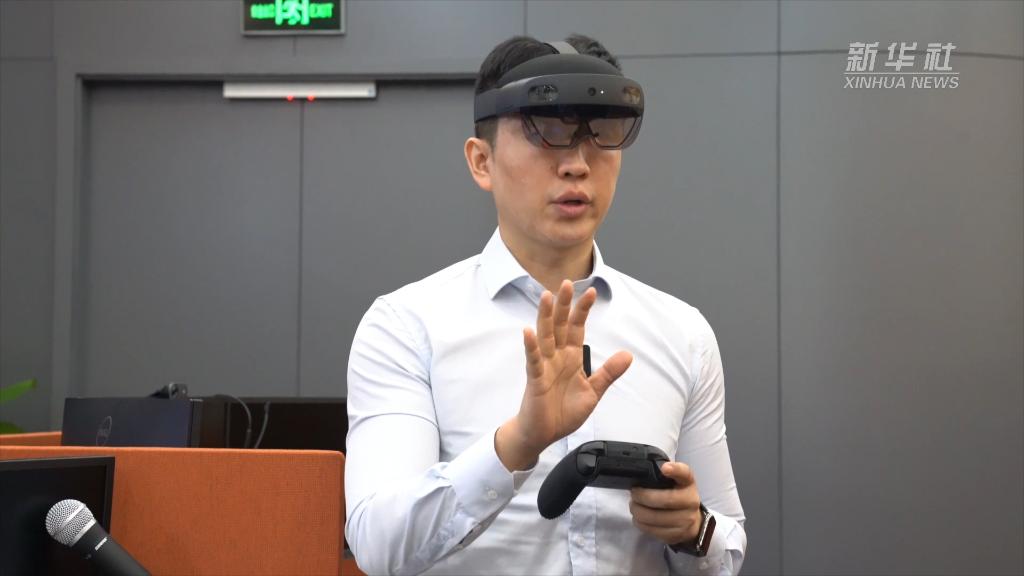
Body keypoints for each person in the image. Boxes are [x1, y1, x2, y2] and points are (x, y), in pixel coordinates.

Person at [345, 34, 747, 575]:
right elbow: (378, 545)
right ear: (481, 161)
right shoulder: (407, 327)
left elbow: (727, 544)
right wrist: (517, 443)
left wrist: (694, 530)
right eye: (547, 133)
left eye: (601, 133)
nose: (578, 164)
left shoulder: (682, 334)